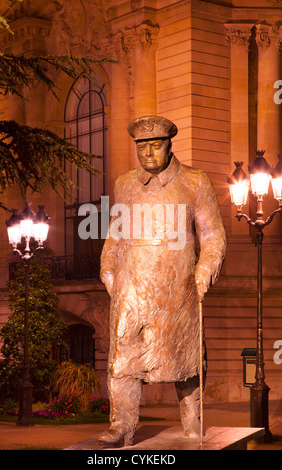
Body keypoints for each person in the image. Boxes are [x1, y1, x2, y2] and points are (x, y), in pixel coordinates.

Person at [98, 115, 226, 447]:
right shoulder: (125, 183)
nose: (149, 153)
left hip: (177, 286)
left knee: (185, 358)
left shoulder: (195, 181)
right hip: (132, 286)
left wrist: (203, 272)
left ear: (169, 146)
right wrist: (108, 267)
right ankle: (122, 424)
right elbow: (116, 231)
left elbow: (212, 237)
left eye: (156, 145)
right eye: (142, 146)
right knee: (123, 359)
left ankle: (192, 419)